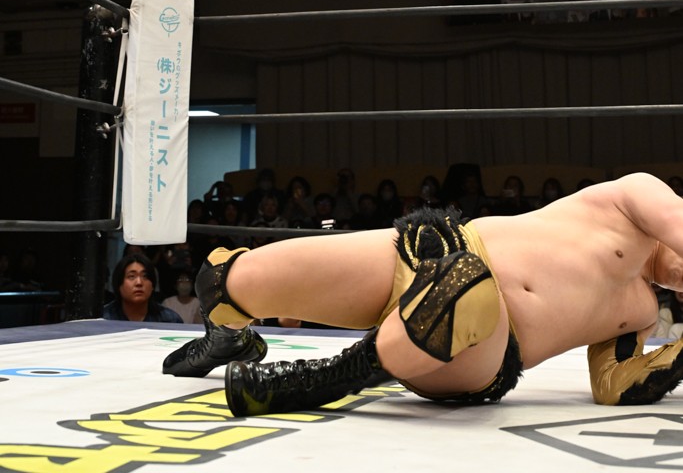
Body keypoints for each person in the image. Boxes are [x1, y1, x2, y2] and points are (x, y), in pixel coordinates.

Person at [161, 173, 683, 417]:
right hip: (433, 247)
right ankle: (228, 339)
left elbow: (614, 385)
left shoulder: (642, 314)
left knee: (467, 288)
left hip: (480, 352)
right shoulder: (639, 197)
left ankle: (316, 381)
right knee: (223, 281)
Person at [103, 253, 183, 323]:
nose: (139, 282)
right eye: (131, 276)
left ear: (152, 286)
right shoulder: (103, 318)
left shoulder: (170, 320)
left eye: (145, 276)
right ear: (119, 284)